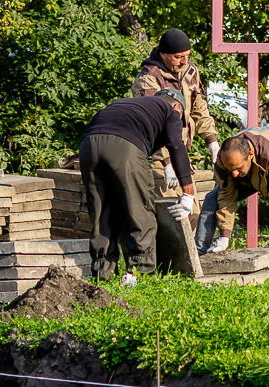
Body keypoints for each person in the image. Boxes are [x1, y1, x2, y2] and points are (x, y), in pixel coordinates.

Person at [79, 90, 196, 279]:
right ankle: (142, 273)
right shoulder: (170, 110)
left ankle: (102, 272)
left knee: (101, 210)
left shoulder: (130, 104)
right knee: (138, 208)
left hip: (88, 144)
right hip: (125, 146)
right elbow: (176, 146)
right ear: (177, 106)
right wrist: (188, 194)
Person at [194, 129, 269, 263]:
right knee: (212, 199)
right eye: (231, 170)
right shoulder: (223, 161)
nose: (234, 174)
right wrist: (225, 235)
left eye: (238, 168)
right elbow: (226, 196)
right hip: (249, 175)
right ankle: (198, 256)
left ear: (250, 154)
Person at [131, 28, 220, 196]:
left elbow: (199, 107)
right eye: (178, 57)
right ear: (163, 54)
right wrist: (166, 162)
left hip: (180, 154)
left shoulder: (189, 70)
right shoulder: (149, 78)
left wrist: (212, 142)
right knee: (172, 215)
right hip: (158, 160)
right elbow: (151, 126)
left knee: (192, 212)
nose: (184, 61)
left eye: (187, 55)